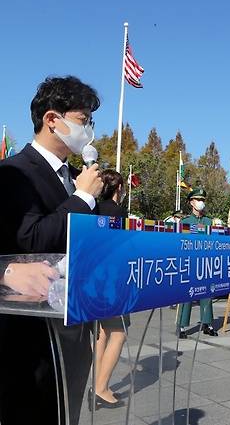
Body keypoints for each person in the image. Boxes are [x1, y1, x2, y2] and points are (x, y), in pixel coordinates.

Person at [0, 75, 103, 425]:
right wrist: (82, 198)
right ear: (51, 119)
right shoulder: (15, 172)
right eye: (82, 120)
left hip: (75, 327)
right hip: (32, 342)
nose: (87, 130)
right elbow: (30, 239)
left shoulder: (77, 175)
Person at [93, 169, 130, 409]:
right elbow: (124, 248)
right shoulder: (118, 213)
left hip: (94, 280)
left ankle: (96, 383)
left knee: (102, 333)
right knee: (118, 332)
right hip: (112, 281)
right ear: (119, 189)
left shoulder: (93, 209)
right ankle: (101, 388)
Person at [177, 188, 218, 338]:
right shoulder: (185, 221)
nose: (201, 203)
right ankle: (181, 327)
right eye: (198, 200)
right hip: (190, 262)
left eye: (202, 200)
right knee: (186, 294)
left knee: (207, 293)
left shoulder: (209, 221)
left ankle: (207, 323)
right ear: (191, 202)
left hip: (205, 262)